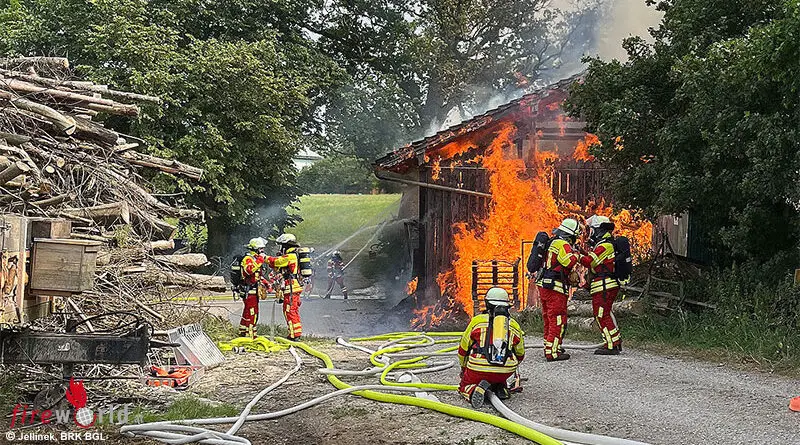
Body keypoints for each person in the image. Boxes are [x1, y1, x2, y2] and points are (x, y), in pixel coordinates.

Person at [457, 287, 525, 408]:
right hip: (506, 369)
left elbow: (463, 349)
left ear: (487, 304)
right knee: (497, 376)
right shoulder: (514, 325)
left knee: (464, 385)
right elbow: (520, 353)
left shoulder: (477, 321)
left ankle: (472, 390)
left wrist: (464, 368)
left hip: (478, 367)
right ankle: (500, 387)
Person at [536, 218, 582, 361]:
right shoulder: (563, 244)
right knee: (557, 319)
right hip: (555, 289)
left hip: (544, 285)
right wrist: (577, 254)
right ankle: (553, 352)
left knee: (549, 319)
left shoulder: (552, 242)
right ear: (571, 235)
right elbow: (568, 262)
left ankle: (549, 346)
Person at [581, 215, 622, 355]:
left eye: (592, 230)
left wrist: (576, 255)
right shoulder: (604, 244)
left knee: (601, 314)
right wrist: (582, 252)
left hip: (605, 286)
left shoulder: (605, 246)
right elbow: (595, 261)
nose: (591, 233)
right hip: (604, 285)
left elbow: (589, 262)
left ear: (598, 230)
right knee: (603, 314)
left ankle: (611, 345)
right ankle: (614, 341)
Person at [265, 233, 304, 340]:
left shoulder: (290, 256)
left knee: (290, 311)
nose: (281, 248)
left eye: (282, 245)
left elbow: (276, 262)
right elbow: (277, 266)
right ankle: (294, 334)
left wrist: (264, 257)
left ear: (286, 245)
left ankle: (294, 336)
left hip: (291, 288)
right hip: (292, 287)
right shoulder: (292, 255)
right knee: (291, 310)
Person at [238, 237, 266, 338]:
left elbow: (257, 276)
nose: (262, 251)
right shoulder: (248, 259)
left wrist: (266, 283)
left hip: (254, 290)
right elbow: (249, 270)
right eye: (261, 249)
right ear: (255, 249)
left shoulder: (254, 259)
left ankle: (243, 331)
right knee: (252, 313)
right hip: (249, 291)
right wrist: (260, 259)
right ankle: (250, 334)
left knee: (247, 311)